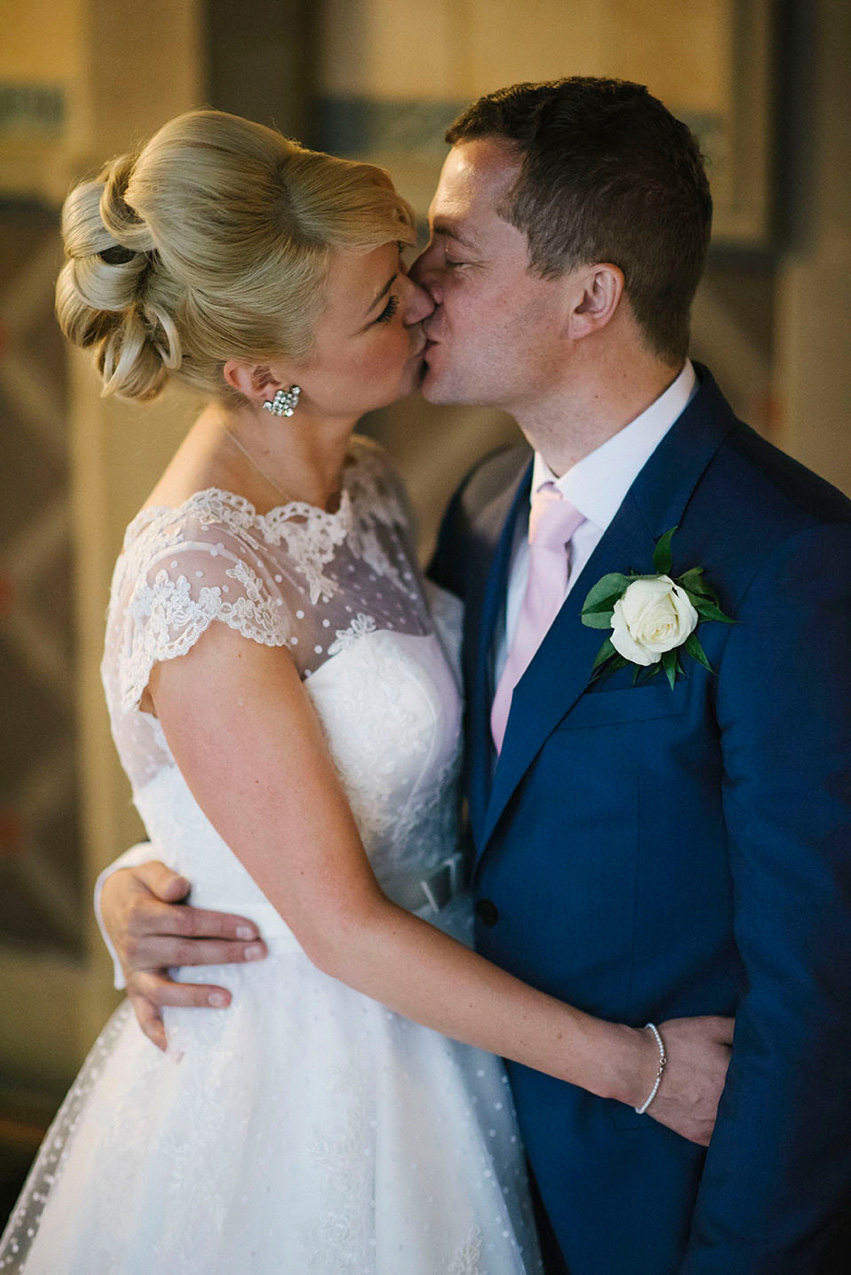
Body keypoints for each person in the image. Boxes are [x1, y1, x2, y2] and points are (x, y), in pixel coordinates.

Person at [95, 78, 851, 1273]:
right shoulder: (483, 509)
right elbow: (329, 821)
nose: (416, 293)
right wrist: (151, 876)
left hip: (656, 1196)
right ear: (262, 366)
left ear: (590, 297)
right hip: (378, 1113)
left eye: (446, 255)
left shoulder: (791, 562)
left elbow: (819, 991)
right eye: (399, 275)